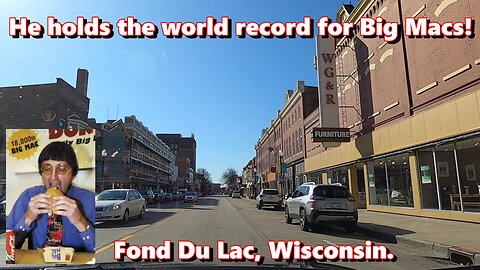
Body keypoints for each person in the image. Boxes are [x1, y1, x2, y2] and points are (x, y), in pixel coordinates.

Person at [7, 141, 95, 253]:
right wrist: (27, 219)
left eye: (62, 168)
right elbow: (7, 250)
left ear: (73, 174)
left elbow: (101, 252)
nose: (53, 177)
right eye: (47, 168)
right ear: (41, 172)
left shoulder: (89, 200)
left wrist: (81, 222)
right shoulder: (29, 196)